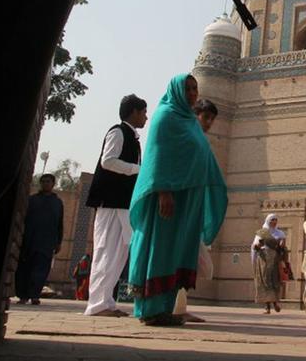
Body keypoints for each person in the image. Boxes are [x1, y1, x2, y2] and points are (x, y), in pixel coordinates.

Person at [127, 74, 228, 326]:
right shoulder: (165, 116)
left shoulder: (188, 120)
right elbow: (158, 156)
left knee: (177, 251)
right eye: (188, 88)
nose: (193, 93)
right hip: (169, 197)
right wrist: (163, 191)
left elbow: (199, 154)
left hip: (188, 199)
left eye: (195, 88)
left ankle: (165, 309)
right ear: (177, 89)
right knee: (161, 248)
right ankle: (150, 309)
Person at [83, 95, 147, 318]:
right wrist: (137, 170)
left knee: (119, 252)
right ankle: (96, 304)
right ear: (134, 112)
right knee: (105, 251)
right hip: (110, 201)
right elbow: (107, 161)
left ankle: (106, 301)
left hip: (123, 203)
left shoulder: (133, 138)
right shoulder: (117, 132)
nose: (146, 117)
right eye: (144, 112)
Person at [171, 98, 220, 323]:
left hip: (193, 203)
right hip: (179, 203)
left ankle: (180, 307)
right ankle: (170, 306)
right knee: (178, 256)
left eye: (211, 119)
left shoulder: (199, 138)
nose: (209, 123)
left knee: (188, 258)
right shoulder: (185, 133)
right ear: (195, 114)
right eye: (206, 117)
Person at [15, 174, 65, 305]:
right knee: (25, 269)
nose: (45, 184)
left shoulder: (57, 203)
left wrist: (59, 242)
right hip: (29, 240)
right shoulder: (32, 200)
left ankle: (35, 295)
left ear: (53, 184)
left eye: (48, 181)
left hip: (47, 243)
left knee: (41, 270)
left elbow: (59, 224)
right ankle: (23, 295)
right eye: (43, 182)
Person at [253, 214, 287, 314]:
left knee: (274, 280)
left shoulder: (280, 233)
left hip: (275, 259)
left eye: (276, 220)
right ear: (268, 221)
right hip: (263, 258)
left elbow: (282, 247)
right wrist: (259, 245)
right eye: (272, 220)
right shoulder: (262, 233)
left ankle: (275, 303)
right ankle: (267, 306)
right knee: (265, 281)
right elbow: (255, 246)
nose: (274, 222)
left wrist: (281, 245)